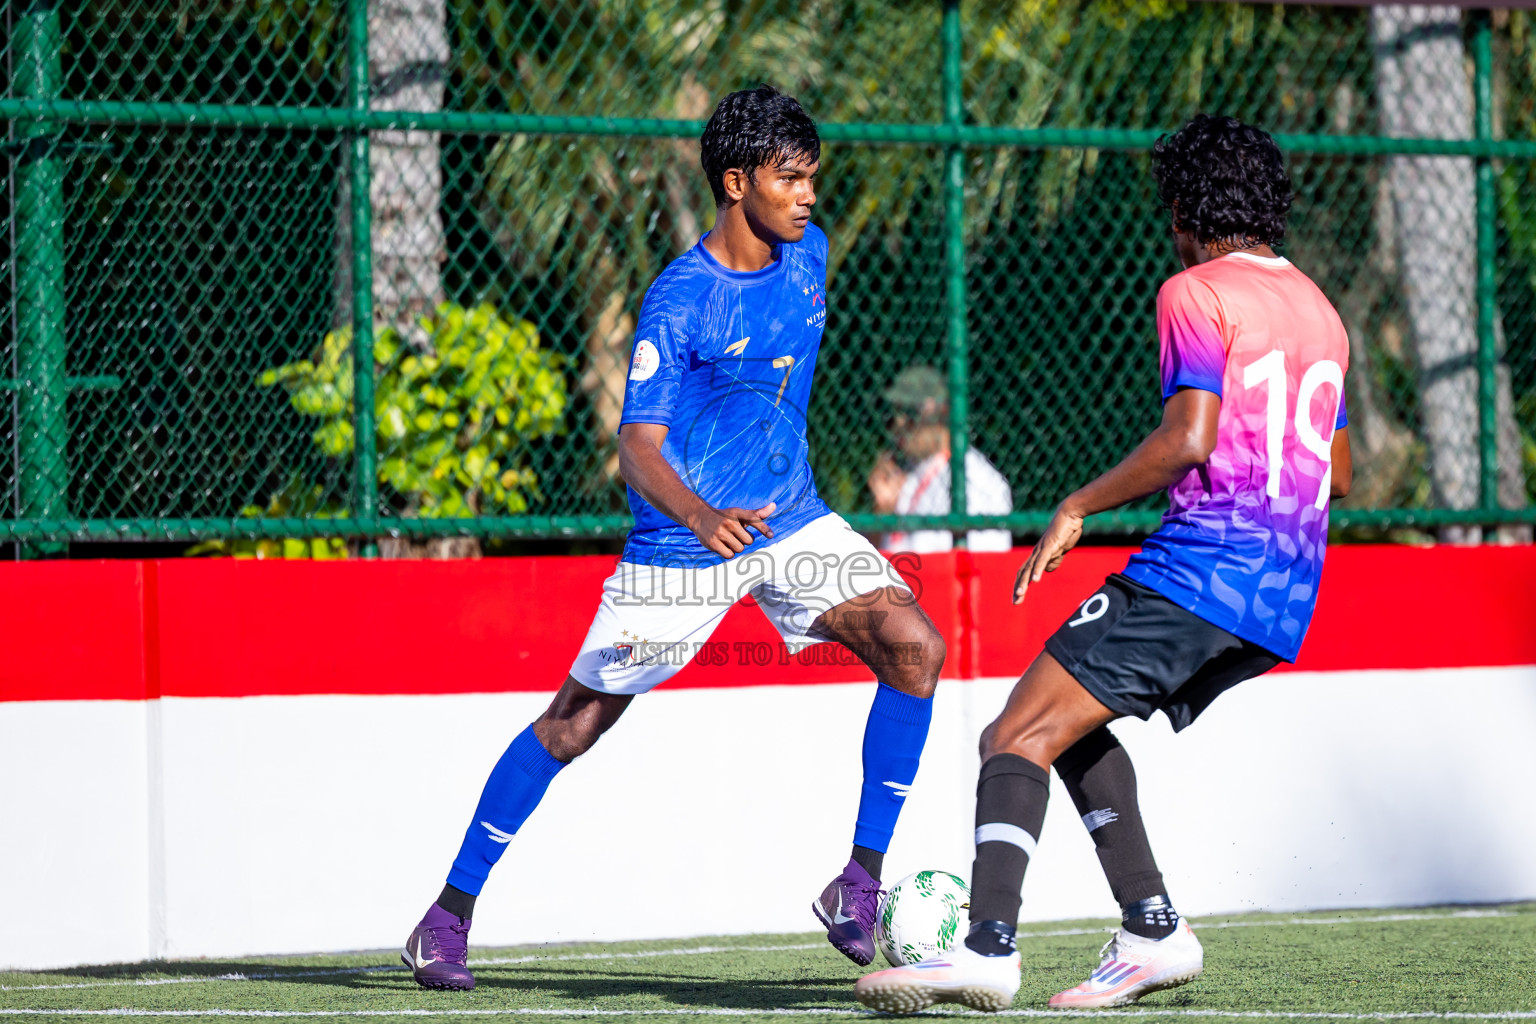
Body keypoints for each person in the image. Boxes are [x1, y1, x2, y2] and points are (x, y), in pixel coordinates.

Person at [400, 85, 948, 990]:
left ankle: (858, 882)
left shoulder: (809, 254)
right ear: (735, 183)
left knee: (912, 642)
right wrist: (700, 515)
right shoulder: (680, 300)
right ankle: (446, 918)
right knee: (575, 723)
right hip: (683, 544)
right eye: (788, 179)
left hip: (791, 518)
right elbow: (635, 446)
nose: (809, 196)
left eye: (813, 177)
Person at [853, 114, 1353, 1013]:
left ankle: (986, 949)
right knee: (1069, 724)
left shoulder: (1195, 291)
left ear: (1186, 208)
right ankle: (1151, 927)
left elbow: (1189, 437)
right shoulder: (1321, 310)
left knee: (1011, 736)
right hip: (1285, 596)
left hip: (1200, 572)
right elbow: (1339, 470)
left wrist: (1081, 502)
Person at [869, 365, 1013, 553]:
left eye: (911, 413)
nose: (899, 422)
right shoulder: (910, 475)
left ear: (942, 412)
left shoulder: (975, 478)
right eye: (895, 411)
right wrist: (883, 511)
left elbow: (982, 562)